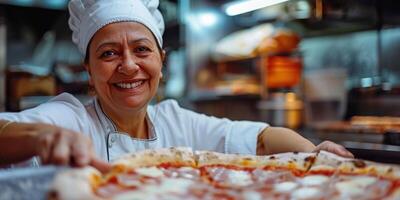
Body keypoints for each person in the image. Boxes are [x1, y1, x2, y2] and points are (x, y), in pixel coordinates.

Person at [0, 0, 353, 171]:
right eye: (108, 54)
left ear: (161, 60)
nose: (128, 65)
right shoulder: (71, 117)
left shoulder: (174, 121)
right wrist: (39, 137)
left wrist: (313, 154)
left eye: (141, 50)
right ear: (89, 72)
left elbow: (261, 139)